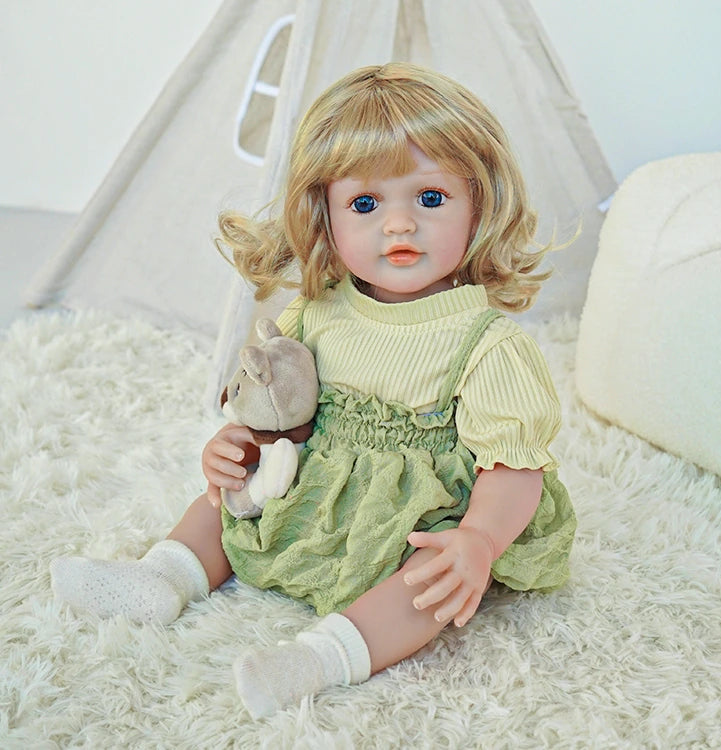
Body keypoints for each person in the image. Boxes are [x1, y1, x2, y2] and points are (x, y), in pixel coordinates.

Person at [50, 63, 576, 718]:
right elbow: (289, 418)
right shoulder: (317, 311)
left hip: (421, 511)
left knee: (425, 587)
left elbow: (514, 468)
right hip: (321, 483)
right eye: (366, 204)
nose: (400, 226)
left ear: (480, 202)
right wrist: (242, 445)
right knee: (221, 504)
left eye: (431, 198)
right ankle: (164, 575)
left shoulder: (486, 343)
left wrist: (479, 541)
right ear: (324, 215)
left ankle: (321, 658)